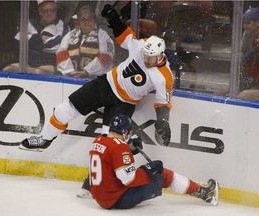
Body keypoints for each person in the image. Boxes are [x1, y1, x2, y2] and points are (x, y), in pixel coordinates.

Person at [20, 3, 173, 196]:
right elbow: (125, 38)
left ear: (160, 55)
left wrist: (163, 121)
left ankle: (92, 184)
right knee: (63, 110)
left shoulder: (164, 76)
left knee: (108, 147)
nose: (146, 58)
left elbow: (163, 102)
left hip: (124, 104)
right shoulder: (143, 47)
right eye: (145, 55)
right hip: (106, 84)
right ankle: (44, 139)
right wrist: (114, 18)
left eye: (151, 57)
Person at [89, 114, 219, 209]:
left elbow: (111, 158)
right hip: (119, 199)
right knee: (162, 174)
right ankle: (203, 192)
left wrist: (129, 149)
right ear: (124, 131)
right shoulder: (119, 147)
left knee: (152, 172)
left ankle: (200, 191)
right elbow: (128, 179)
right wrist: (148, 169)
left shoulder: (99, 140)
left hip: (101, 199)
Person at [3, 0, 70, 75]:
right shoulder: (30, 23)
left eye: (53, 10)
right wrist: (40, 38)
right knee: (8, 69)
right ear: (40, 12)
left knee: (38, 72)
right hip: (27, 64)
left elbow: (57, 46)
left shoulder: (63, 27)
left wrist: (30, 41)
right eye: (46, 10)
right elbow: (18, 40)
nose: (50, 13)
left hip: (49, 65)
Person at [56, 5, 114, 79]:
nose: (87, 22)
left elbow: (106, 58)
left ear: (94, 20)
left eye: (90, 18)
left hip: (95, 80)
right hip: (71, 78)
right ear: (79, 21)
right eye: (83, 19)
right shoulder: (70, 35)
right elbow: (61, 54)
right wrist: (71, 71)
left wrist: (87, 71)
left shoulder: (103, 36)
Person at [238, 27, 259, 101]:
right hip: (251, 89)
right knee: (220, 94)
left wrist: (246, 93)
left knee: (246, 95)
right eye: (258, 37)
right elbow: (241, 77)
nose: (258, 40)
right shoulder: (250, 55)